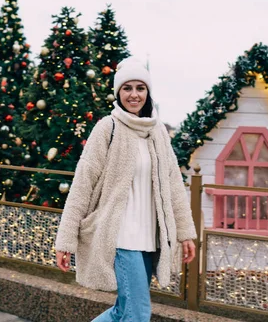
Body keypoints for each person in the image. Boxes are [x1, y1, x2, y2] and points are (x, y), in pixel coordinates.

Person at [54, 58, 197, 321]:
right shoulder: (107, 128)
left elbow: (173, 185)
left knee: (123, 310)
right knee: (138, 313)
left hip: (149, 238)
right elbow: (82, 185)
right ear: (118, 93)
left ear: (148, 92)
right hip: (120, 237)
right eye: (127, 88)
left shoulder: (158, 133)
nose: (134, 94)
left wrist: (185, 232)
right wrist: (65, 240)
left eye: (140, 88)